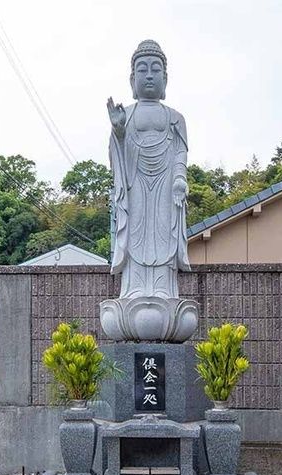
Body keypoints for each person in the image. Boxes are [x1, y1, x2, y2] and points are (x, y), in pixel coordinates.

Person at [106, 39, 190, 300]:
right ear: (132, 80)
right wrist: (119, 131)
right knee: (136, 233)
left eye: (156, 69)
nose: (150, 75)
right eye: (143, 70)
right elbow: (116, 156)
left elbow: (180, 152)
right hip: (136, 186)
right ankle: (133, 291)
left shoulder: (176, 118)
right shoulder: (126, 115)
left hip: (166, 187)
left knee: (164, 231)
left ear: (166, 78)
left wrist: (179, 179)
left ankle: (164, 291)